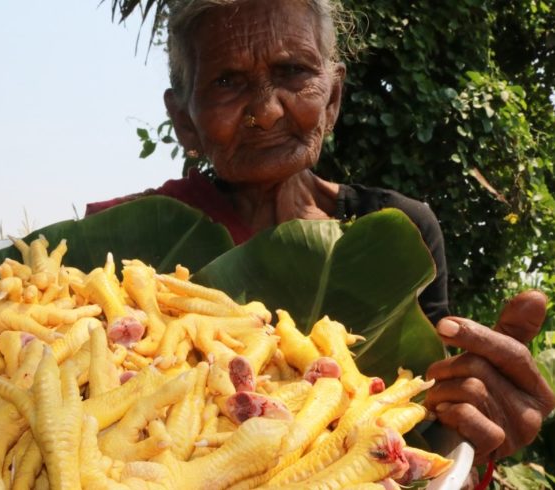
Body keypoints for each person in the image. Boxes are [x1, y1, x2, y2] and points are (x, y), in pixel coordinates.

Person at [87, 0, 555, 467]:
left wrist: (475, 431)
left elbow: (425, 428)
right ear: (185, 120)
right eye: (227, 81)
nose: (267, 111)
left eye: (292, 71)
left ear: (331, 98)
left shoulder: (396, 231)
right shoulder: (118, 249)